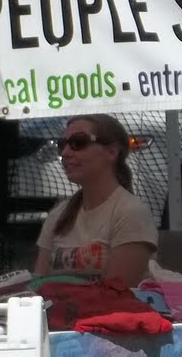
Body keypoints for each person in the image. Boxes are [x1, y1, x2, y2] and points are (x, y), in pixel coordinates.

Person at [35, 113, 158, 285]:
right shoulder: (58, 214)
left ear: (112, 152)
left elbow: (117, 292)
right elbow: (39, 283)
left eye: (78, 143)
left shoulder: (131, 213)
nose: (65, 152)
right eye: (62, 145)